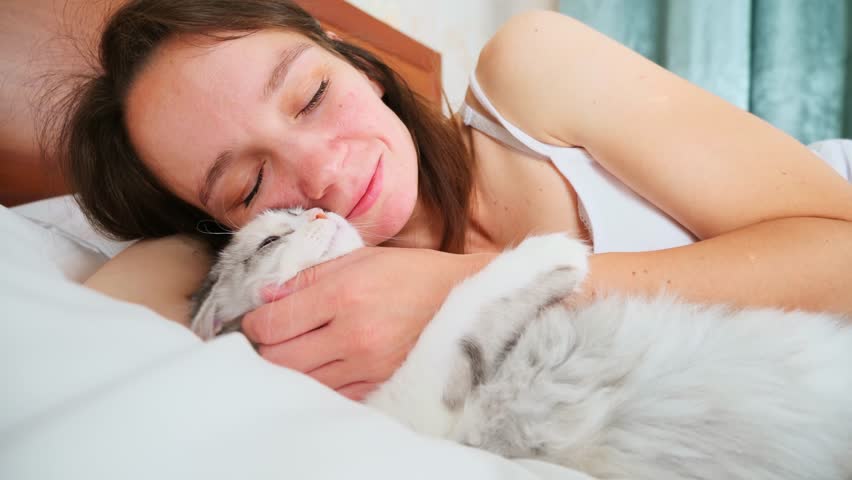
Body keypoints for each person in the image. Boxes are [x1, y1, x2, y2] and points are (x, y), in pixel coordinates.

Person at [59, 0, 852, 401]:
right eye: (248, 183)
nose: (324, 167)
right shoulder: (285, 278)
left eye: (309, 98)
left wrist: (477, 289)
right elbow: (83, 342)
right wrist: (187, 245)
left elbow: (839, 249)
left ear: (361, 67)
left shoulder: (533, 73)